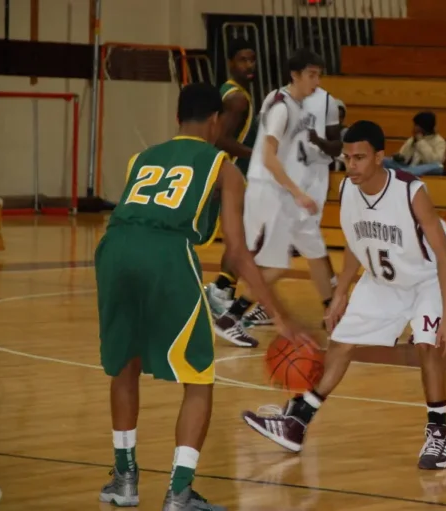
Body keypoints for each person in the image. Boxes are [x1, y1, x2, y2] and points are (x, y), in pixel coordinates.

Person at [95, 82, 310, 510]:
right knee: (198, 378)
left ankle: (124, 479)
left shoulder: (141, 157)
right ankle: (179, 493)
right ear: (216, 121)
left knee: (125, 364)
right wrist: (280, 317)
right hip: (166, 255)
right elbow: (236, 251)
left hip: (113, 249)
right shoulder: (223, 166)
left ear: (178, 119)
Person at [241, 120, 446, 470]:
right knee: (341, 342)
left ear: (379, 157)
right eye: (347, 158)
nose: (352, 165)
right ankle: (298, 421)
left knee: (427, 344)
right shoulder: (346, 189)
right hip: (383, 279)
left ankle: (439, 436)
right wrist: (340, 293)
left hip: (427, 277)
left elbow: (445, 256)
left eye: (359, 157)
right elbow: (356, 242)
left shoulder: (411, 192)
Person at [212, 48, 334, 346]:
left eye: (318, 75)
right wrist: (298, 193)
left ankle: (333, 313)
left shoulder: (302, 105)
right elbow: (268, 157)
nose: (316, 82)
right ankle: (229, 314)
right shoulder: (281, 107)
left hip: (285, 191)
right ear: (295, 75)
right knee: (273, 261)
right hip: (270, 192)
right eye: (311, 75)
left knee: (313, 250)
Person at [232, 85, 343, 329]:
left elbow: (335, 147)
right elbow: (271, 152)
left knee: (300, 255)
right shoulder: (281, 107)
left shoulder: (319, 111)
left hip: (299, 193)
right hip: (283, 194)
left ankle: (330, 310)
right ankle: (234, 311)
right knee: (280, 260)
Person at [202, 39, 258, 334]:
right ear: (231, 62)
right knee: (242, 238)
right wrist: (257, 154)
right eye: (242, 60)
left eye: (252, 59)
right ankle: (221, 290)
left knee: (242, 237)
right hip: (228, 171)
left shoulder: (228, 91)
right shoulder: (238, 100)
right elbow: (220, 139)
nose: (249, 65)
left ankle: (223, 287)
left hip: (222, 169)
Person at [383, 111, 446, 176]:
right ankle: (404, 173)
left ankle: (403, 173)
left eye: (416, 125)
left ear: (423, 127)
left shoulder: (439, 141)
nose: (414, 127)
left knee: (438, 166)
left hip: (423, 168)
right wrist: (399, 158)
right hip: (407, 168)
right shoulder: (412, 139)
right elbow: (405, 159)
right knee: (383, 160)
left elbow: (434, 161)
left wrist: (421, 141)